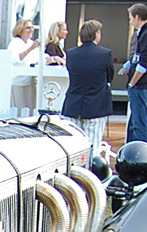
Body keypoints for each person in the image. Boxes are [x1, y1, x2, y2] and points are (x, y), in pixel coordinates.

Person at [62, 19, 114, 158]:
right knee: (93, 147)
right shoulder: (105, 54)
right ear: (96, 34)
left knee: (73, 148)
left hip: (73, 104)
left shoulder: (71, 53)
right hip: (96, 105)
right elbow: (109, 77)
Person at [123, 4, 147, 143]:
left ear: (137, 17)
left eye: (131, 18)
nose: (130, 21)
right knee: (136, 122)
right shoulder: (145, 33)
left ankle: (139, 155)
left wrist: (132, 83)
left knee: (139, 123)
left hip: (141, 85)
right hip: (143, 85)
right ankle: (132, 148)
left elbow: (144, 63)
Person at [8, 19, 41, 112]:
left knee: (30, 109)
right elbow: (16, 58)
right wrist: (30, 49)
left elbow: (38, 58)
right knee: (18, 110)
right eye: (28, 28)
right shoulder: (15, 43)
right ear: (21, 30)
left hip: (29, 82)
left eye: (32, 27)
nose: (31, 30)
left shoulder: (31, 42)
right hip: (17, 83)